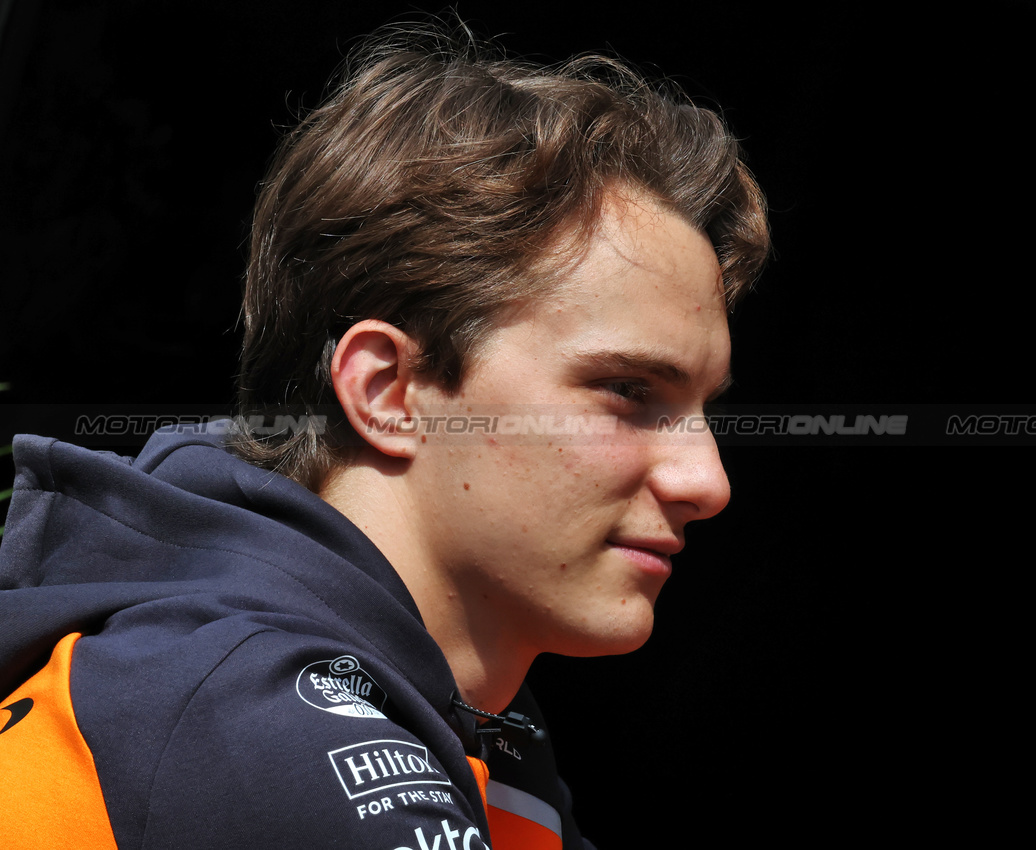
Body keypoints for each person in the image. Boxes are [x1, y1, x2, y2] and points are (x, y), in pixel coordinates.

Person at [0, 23, 768, 850]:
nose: (706, 481)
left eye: (700, 412)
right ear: (388, 392)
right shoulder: (264, 727)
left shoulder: (476, 717)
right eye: (627, 391)